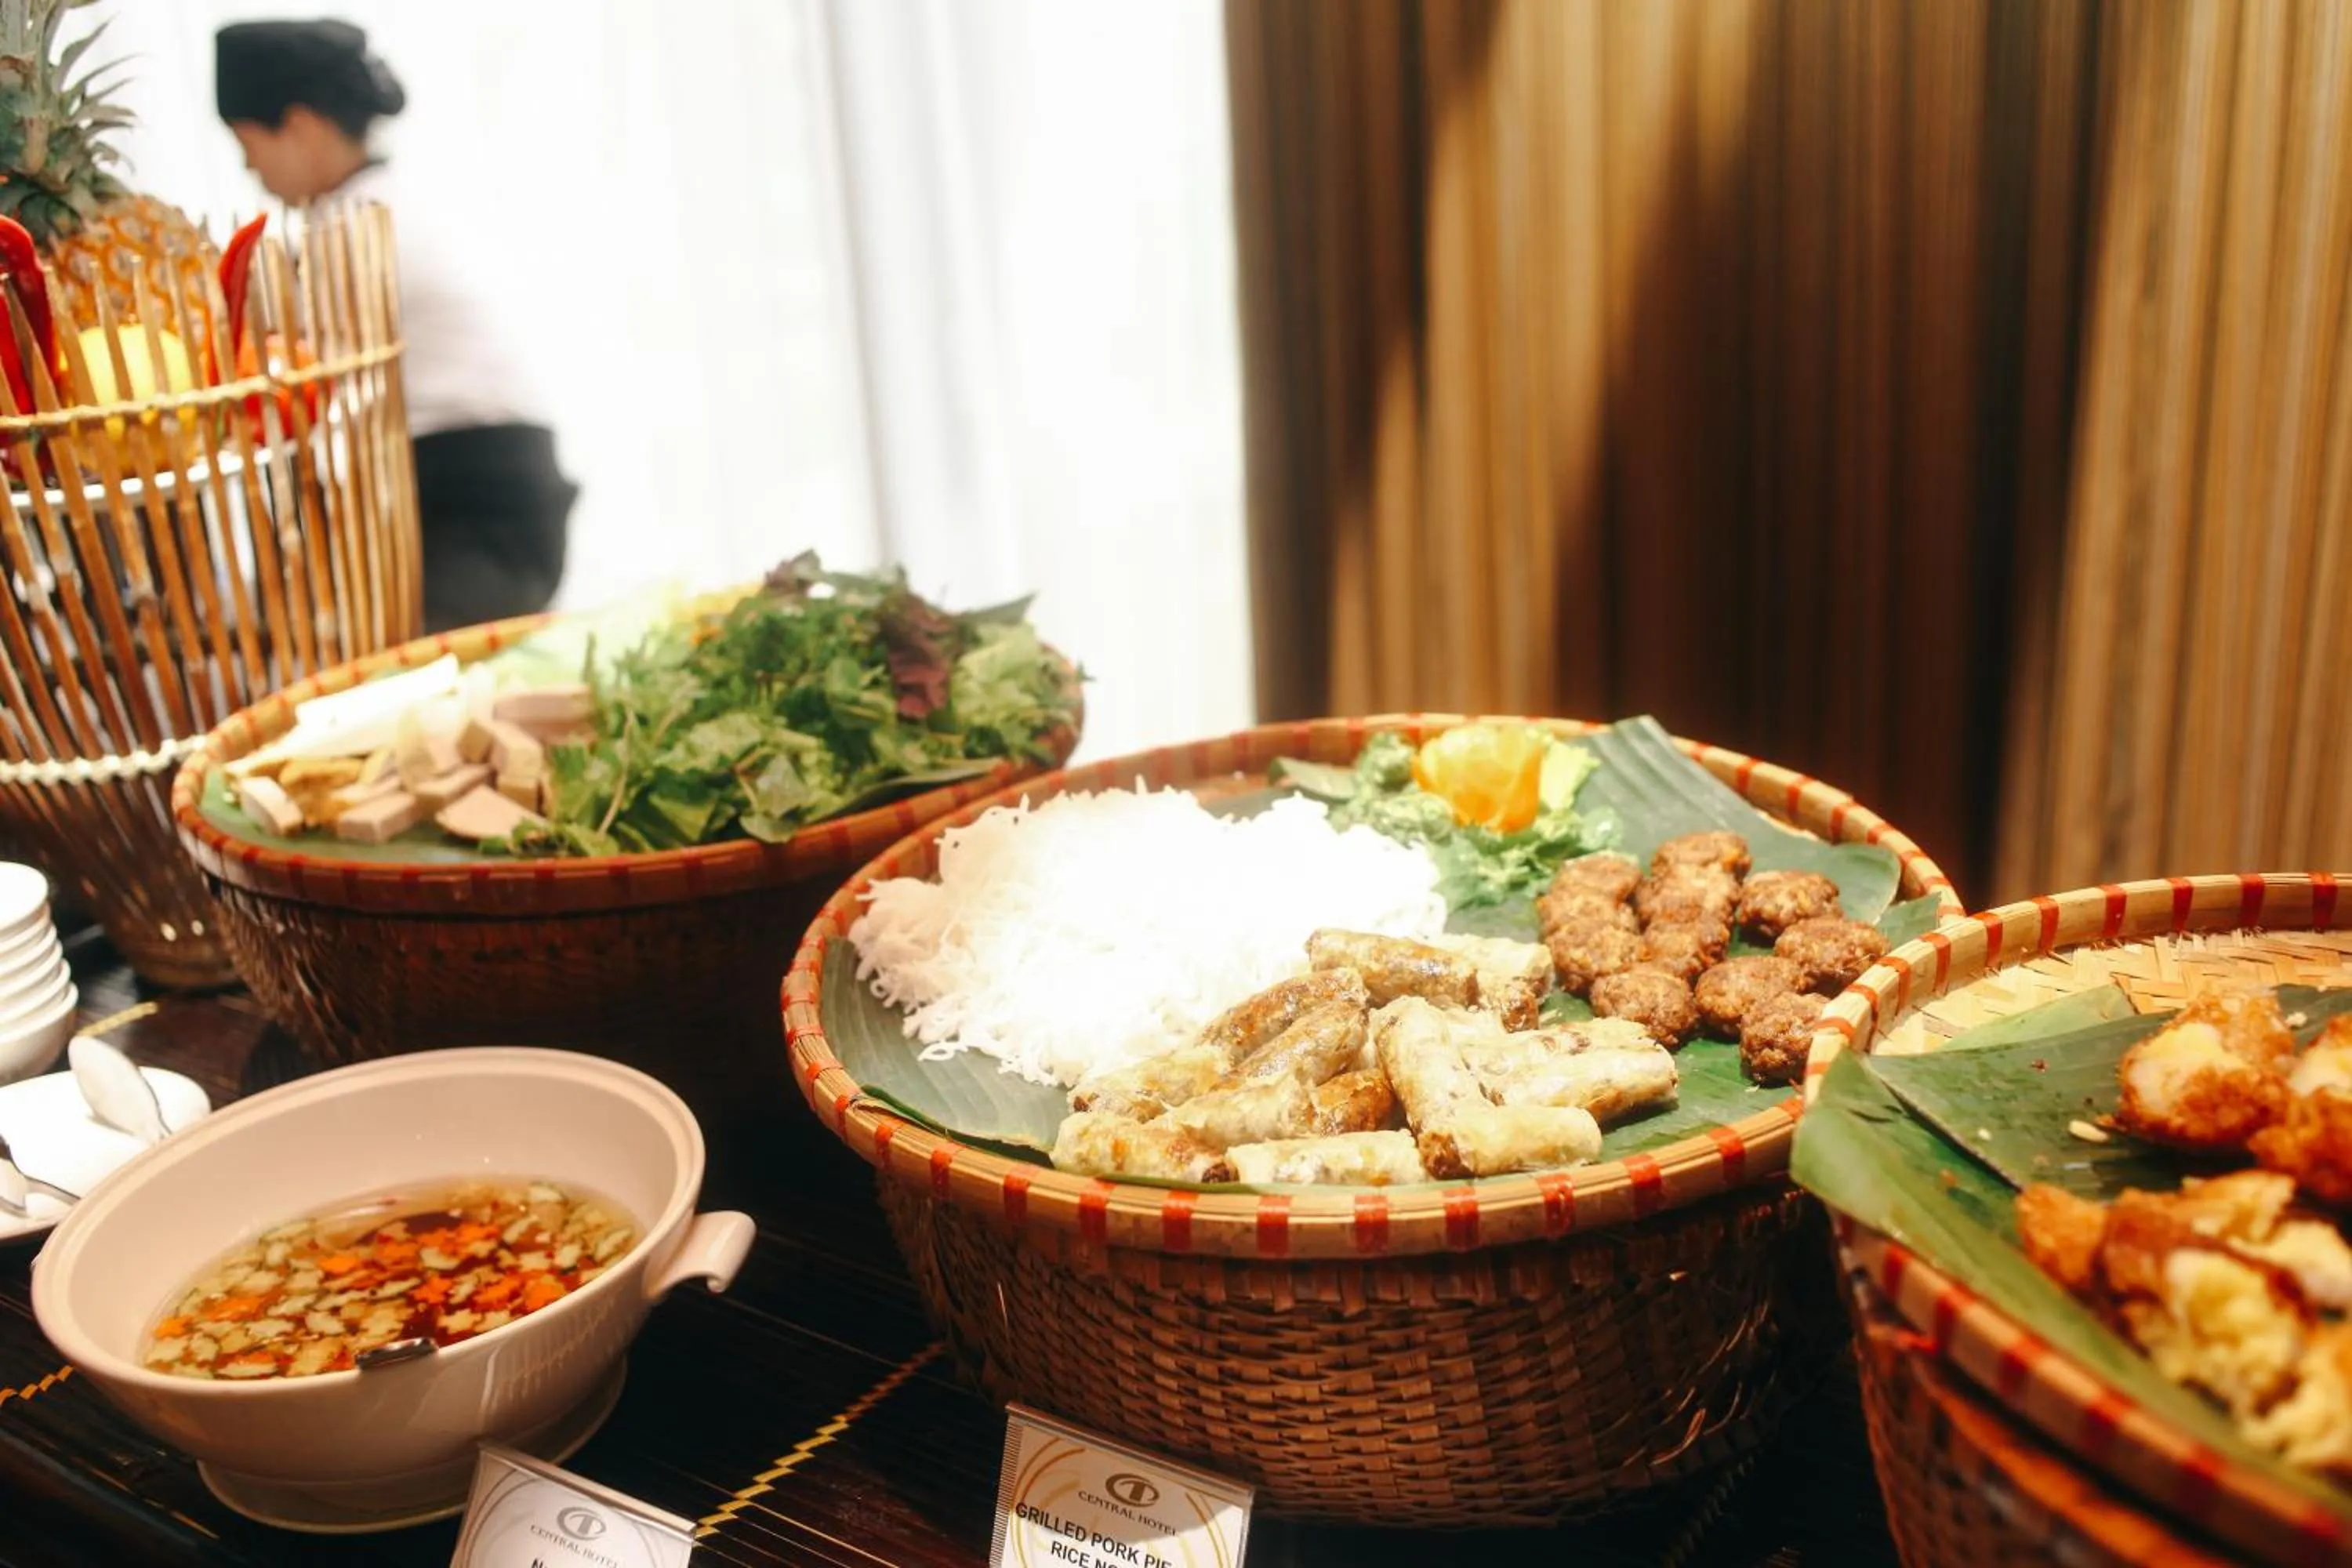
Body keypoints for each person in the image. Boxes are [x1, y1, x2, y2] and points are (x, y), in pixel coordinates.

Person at [214, 20, 577, 632]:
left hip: (475, 502)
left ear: (299, 128)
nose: (251, 171)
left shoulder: (354, 233)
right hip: (491, 483)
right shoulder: (380, 205)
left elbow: (310, 401)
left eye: (250, 148)